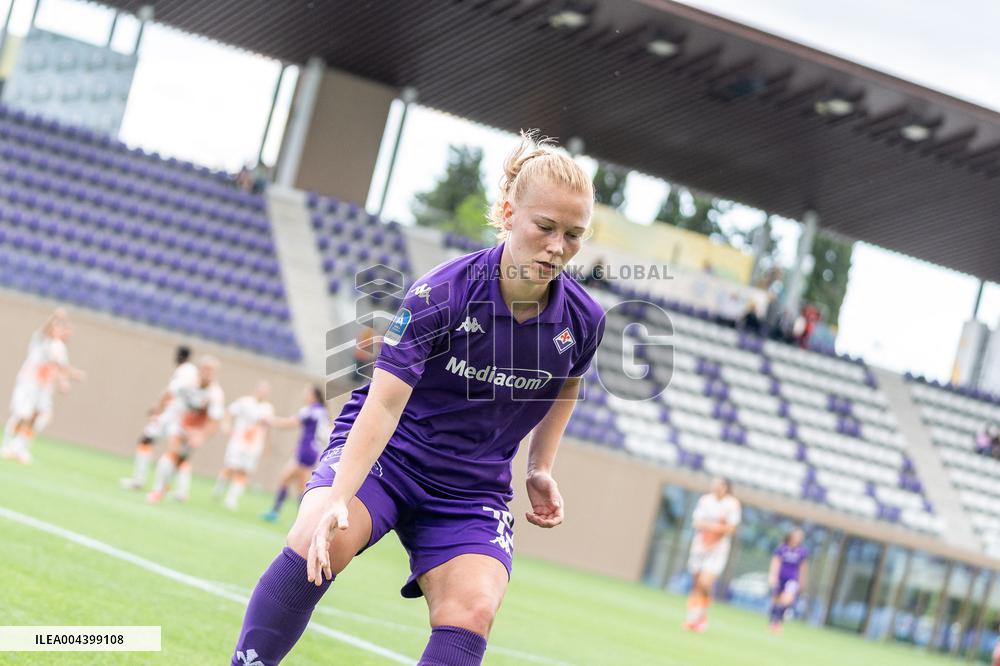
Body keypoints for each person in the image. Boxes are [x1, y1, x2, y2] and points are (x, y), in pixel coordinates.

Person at [229, 132, 606, 666]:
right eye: (545, 227)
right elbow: (382, 405)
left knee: (474, 608)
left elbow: (568, 383)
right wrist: (337, 498)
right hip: (390, 456)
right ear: (507, 213)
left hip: (471, 485)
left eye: (574, 235)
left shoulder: (584, 320)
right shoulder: (441, 293)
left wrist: (540, 466)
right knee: (321, 537)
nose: (557, 246)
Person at [1, 309, 84, 464]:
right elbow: (44, 331)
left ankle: (20, 446)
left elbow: (58, 367)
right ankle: (7, 445)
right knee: (22, 414)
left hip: (43, 387)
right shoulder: (41, 340)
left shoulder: (59, 347)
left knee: (39, 417)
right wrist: (54, 316)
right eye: (63, 329)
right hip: (28, 383)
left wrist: (63, 381)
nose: (67, 334)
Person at [147, 355, 225, 504]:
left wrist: (201, 436)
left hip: (195, 430)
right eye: (205, 369)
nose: (207, 373)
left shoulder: (216, 394)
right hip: (177, 420)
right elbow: (167, 394)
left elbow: (215, 422)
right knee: (172, 451)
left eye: (211, 371)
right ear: (199, 369)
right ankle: (157, 490)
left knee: (180, 460)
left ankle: (166, 487)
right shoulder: (186, 382)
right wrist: (158, 412)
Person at [121, 346, 196, 490]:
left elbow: (170, 392)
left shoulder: (183, 371)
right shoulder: (193, 373)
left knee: (146, 440)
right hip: (184, 417)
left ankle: (139, 480)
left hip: (171, 414)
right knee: (178, 453)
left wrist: (158, 410)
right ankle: (181, 491)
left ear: (179, 356)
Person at [260, 385, 331, 523]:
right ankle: (289, 516)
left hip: (307, 452)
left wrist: (270, 421)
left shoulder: (310, 410)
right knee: (295, 483)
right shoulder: (321, 411)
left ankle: (295, 518)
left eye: (307, 392)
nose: (304, 394)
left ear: (313, 395)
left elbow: (290, 423)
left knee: (293, 483)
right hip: (310, 451)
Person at [684, 477, 742, 633]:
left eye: (717, 484)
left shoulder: (732, 504)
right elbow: (697, 522)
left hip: (717, 549)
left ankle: (700, 616)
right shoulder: (705, 500)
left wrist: (712, 528)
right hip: (700, 546)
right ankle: (695, 617)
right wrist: (716, 527)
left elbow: (731, 528)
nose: (714, 486)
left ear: (725, 487)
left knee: (705, 582)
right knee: (696, 583)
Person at [214, 381, 276, 511]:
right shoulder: (244, 402)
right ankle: (219, 489)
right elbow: (229, 412)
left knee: (243, 471)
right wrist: (226, 425)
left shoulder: (268, 409)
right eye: (260, 390)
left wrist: (268, 445)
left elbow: (268, 428)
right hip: (238, 441)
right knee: (230, 467)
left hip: (254, 446)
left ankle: (231, 499)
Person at [767, 527, 809, 634]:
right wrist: (773, 576)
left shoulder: (802, 552)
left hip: (792, 579)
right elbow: (775, 562)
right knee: (776, 601)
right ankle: (773, 620)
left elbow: (803, 568)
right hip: (780, 577)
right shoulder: (782, 548)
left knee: (786, 600)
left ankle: (777, 622)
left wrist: (802, 582)